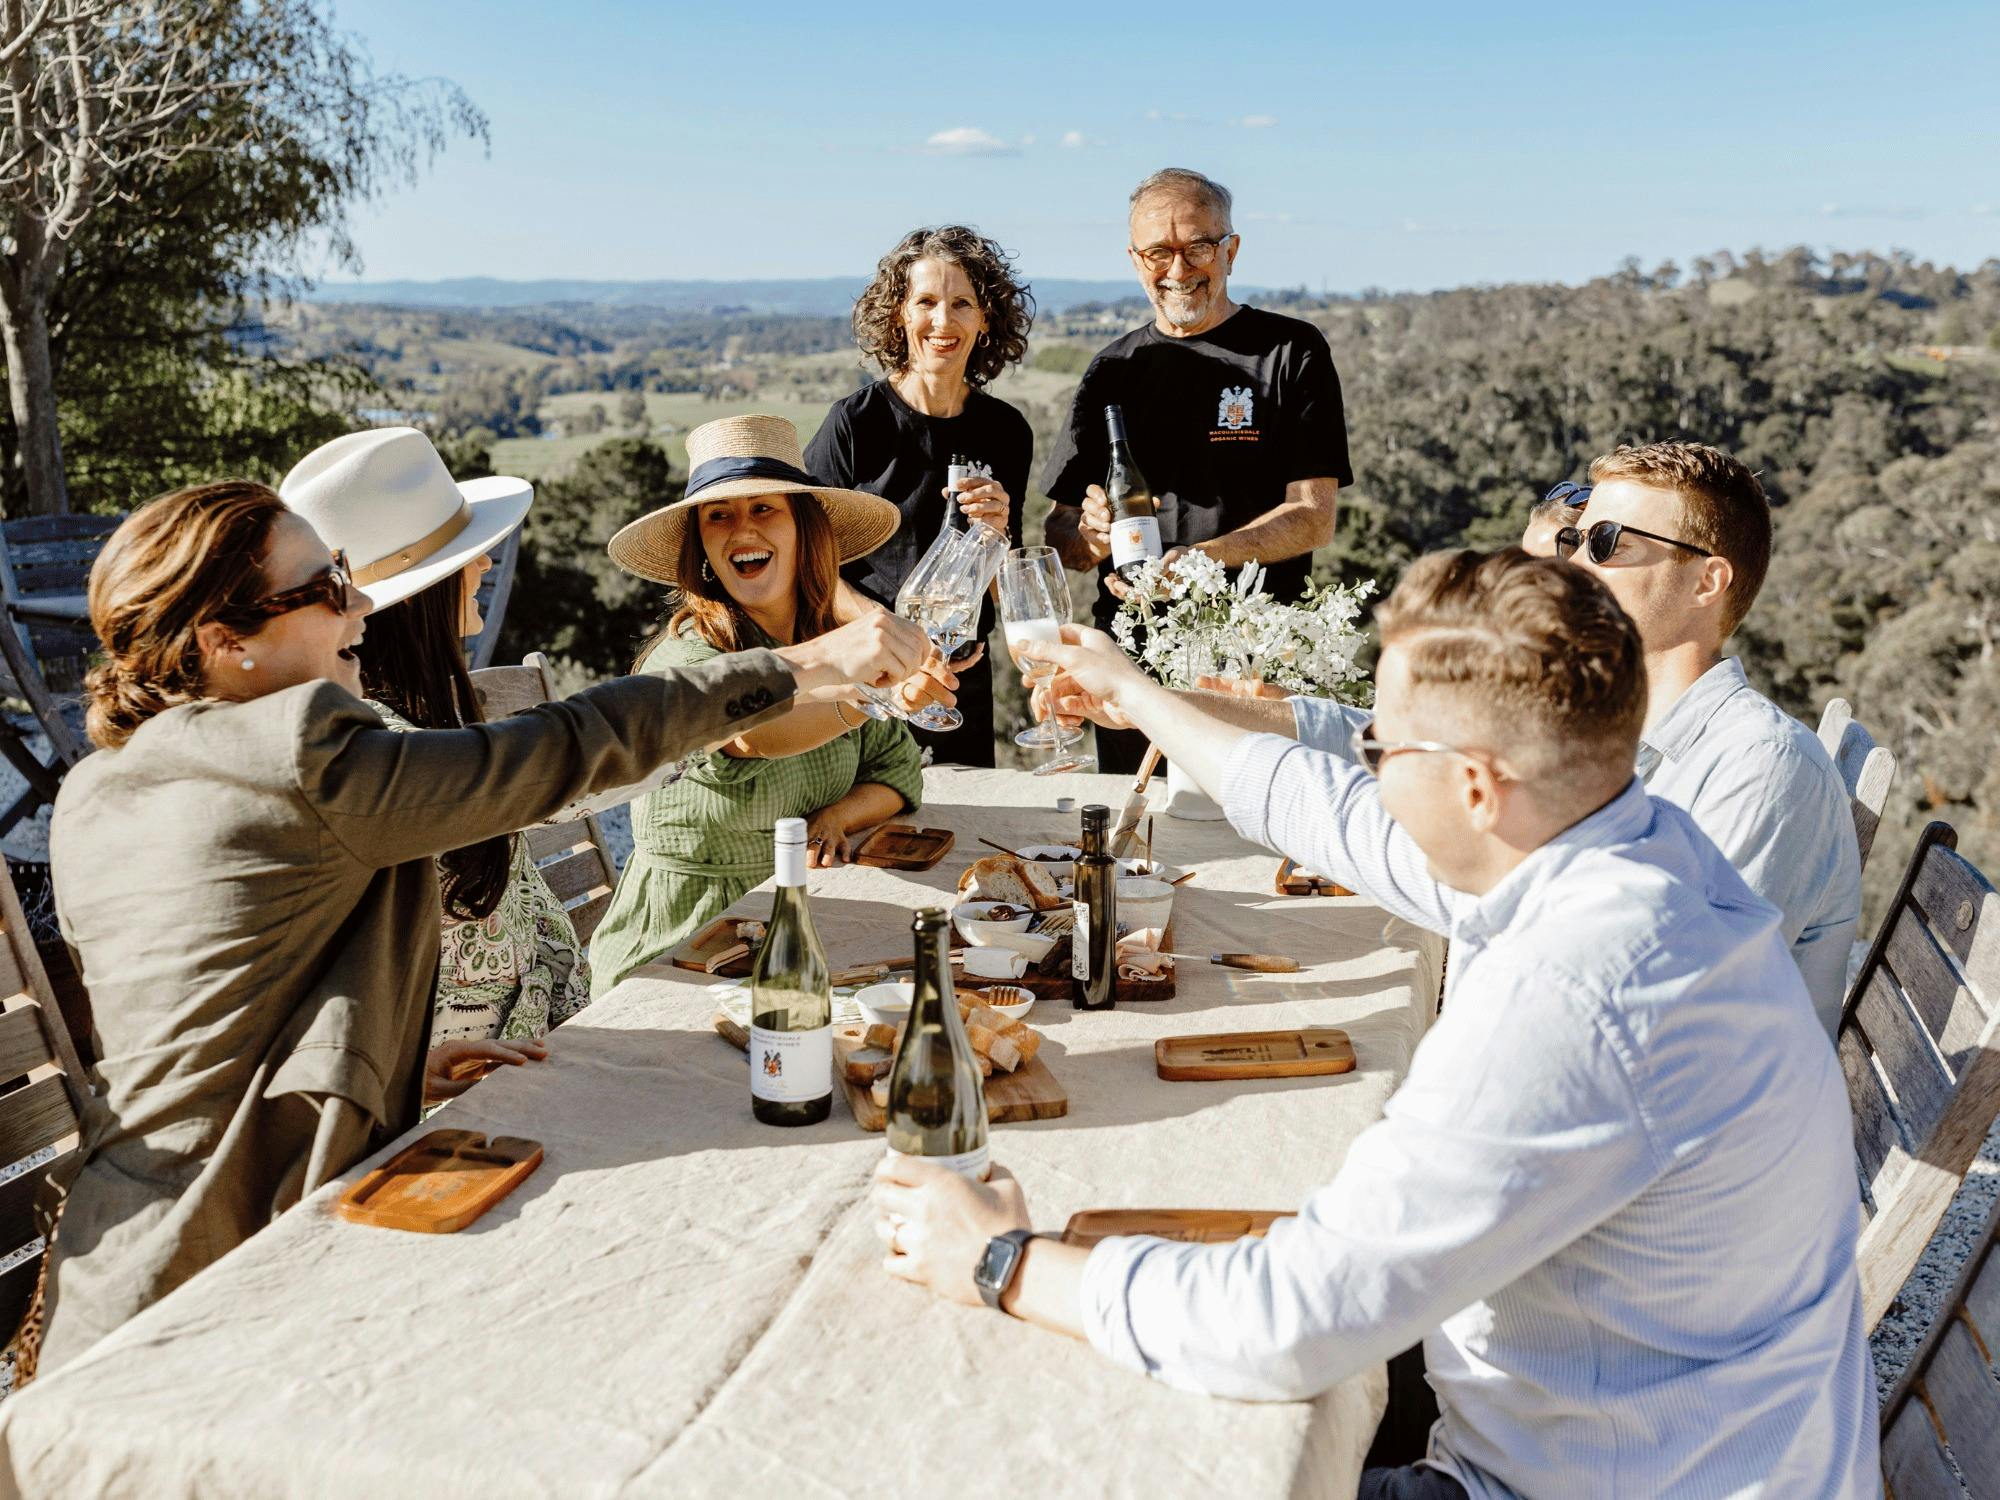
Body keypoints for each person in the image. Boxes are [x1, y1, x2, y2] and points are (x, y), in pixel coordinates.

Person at [881, 550, 1875, 1499]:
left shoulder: (1576, 992)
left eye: (1380, 749)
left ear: (1475, 787)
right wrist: (1136, 694)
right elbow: (1333, 812)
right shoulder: (1628, 850)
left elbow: (1287, 1326)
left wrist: (999, 1260)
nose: (1366, 770)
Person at [38, 477, 923, 1372]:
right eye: (326, 587)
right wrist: (803, 667)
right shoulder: (304, 749)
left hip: (115, 1268)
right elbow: (560, 750)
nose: (361, 601)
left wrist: (391, 1061)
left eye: (346, 571)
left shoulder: (99, 791)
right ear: (225, 642)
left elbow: (206, 1015)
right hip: (219, 1283)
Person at [1050, 445, 1861, 1034]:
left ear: (1707, 581)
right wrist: (1155, 702)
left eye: (1609, 544)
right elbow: (1372, 747)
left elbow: (1621, 1004)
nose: (1574, 563)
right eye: (1578, 537)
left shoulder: (1762, 770)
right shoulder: (1600, 719)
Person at [281, 428, 587, 1098]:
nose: (483, 568)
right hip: (457, 1100)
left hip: (529, 1056)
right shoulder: (380, 758)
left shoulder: (431, 719)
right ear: (420, 595)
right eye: (468, 558)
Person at [589, 414, 931, 996]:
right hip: (685, 952)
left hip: (803, 931)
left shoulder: (825, 641)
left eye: (763, 509)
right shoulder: (684, 660)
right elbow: (753, 733)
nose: (741, 530)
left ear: (805, 531)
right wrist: (870, 694)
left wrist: (834, 818)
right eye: (719, 516)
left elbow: (899, 776)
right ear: (701, 547)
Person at [1041, 167, 1353, 772]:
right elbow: (1062, 538)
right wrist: (1088, 535)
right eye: (1159, 251)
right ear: (1136, 260)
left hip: (1259, 660)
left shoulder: (1291, 352)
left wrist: (1204, 561)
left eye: (1198, 247)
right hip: (1135, 665)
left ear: (1230, 251)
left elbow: (1314, 518)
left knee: (1255, 842)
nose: (1179, 270)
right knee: (1140, 847)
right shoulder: (1111, 370)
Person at [804, 225, 1034, 767]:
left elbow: (1006, 587)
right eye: (925, 302)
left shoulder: (1007, 431)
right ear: (900, 314)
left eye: (962, 304)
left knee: (961, 839)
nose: (942, 321)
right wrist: (891, 638)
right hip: (866, 683)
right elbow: (808, 566)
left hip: (960, 687)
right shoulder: (854, 425)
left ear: (985, 319)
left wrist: (998, 537)